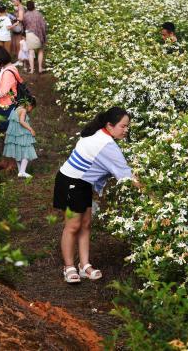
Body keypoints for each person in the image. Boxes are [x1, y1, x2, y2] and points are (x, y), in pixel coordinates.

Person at [53, 107, 141, 283]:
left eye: (127, 127)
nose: (125, 130)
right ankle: (69, 267)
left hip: (83, 182)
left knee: (85, 224)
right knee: (73, 225)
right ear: (110, 125)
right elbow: (127, 175)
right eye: (123, 126)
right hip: (70, 182)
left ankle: (84, 266)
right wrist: (151, 193)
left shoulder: (101, 134)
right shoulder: (106, 145)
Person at [3, 100, 37, 178]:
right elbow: (22, 121)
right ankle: (22, 172)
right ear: (30, 105)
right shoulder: (23, 110)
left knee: (18, 153)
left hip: (15, 134)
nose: (31, 110)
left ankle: (20, 171)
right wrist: (31, 129)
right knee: (27, 151)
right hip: (22, 133)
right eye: (32, 108)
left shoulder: (16, 108)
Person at [23, 1, 47, 74]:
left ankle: (31, 70)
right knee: (40, 50)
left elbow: (24, 25)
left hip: (29, 34)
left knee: (30, 52)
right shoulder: (38, 14)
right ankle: (40, 68)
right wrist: (44, 34)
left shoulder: (25, 15)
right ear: (34, 6)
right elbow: (43, 25)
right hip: (38, 34)